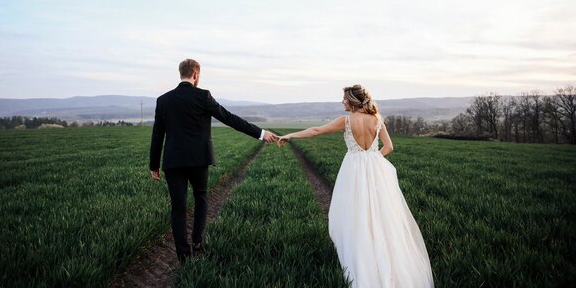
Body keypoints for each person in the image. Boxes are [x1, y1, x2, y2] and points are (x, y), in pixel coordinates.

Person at [277, 85, 434, 288]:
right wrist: (372, 159)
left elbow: (316, 131)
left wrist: (290, 135)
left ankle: (361, 252)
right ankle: (383, 252)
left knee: (354, 211)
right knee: (380, 213)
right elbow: (389, 147)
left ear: (352, 101)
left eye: (344, 99)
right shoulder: (378, 120)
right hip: (375, 169)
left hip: (353, 170)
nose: (342, 102)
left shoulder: (347, 121)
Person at [150, 58, 278, 263]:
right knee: (201, 198)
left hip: (173, 162)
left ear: (180, 73)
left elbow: (157, 134)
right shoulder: (203, 96)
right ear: (196, 75)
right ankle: (198, 242)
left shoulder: (163, 100)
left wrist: (153, 164)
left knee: (178, 207)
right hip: (199, 159)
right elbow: (230, 118)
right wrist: (261, 133)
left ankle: (183, 254)